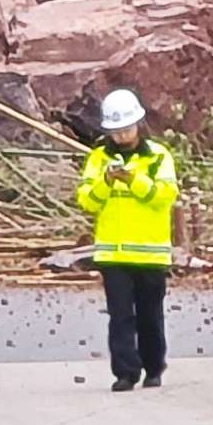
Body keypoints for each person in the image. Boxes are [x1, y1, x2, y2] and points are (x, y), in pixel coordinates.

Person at [77, 89, 179, 392]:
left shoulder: (159, 157)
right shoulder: (98, 158)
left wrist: (133, 179)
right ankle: (125, 372)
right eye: (116, 131)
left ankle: (153, 368)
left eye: (126, 129)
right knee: (120, 317)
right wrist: (107, 183)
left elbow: (165, 197)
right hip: (113, 254)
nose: (121, 136)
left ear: (138, 124)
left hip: (150, 253)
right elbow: (86, 200)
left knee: (150, 316)